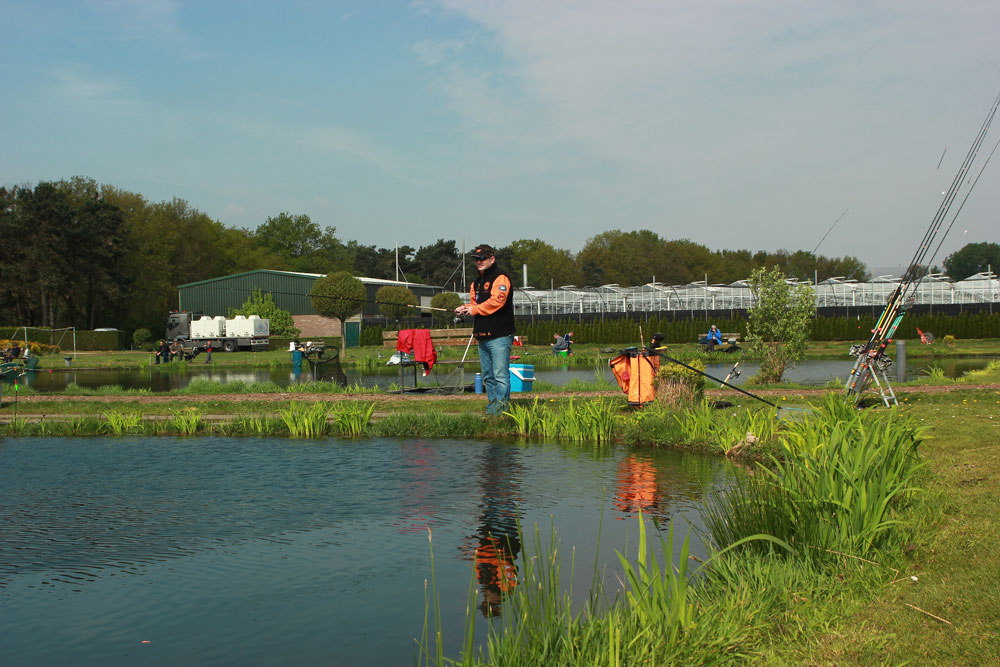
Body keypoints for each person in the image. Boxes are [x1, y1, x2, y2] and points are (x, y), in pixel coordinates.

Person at [455, 244, 515, 416]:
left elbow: (497, 302)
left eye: (482, 259)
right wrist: (465, 307)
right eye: (476, 259)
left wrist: (474, 309)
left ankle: (502, 412)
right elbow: (476, 305)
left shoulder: (501, 278)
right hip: (482, 335)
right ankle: (492, 410)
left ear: (492, 259)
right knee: (488, 376)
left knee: (500, 375)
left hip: (500, 335)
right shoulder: (476, 282)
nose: (479, 262)